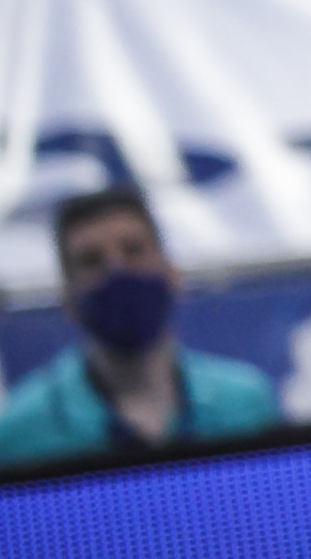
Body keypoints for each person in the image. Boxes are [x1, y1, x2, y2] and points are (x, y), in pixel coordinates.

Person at [0, 186, 281, 467]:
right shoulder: (19, 433)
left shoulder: (246, 405)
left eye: (133, 250)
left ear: (172, 274)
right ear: (68, 298)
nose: (117, 273)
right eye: (91, 261)